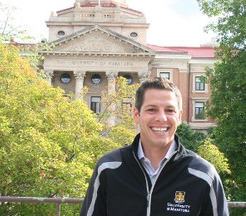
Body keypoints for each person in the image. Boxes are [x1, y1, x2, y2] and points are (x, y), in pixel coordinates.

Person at [80, 77, 229, 216]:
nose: (161, 118)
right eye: (151, 109)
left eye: (169, 110)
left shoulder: (203, 174)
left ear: (179, 116)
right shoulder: (108, 168)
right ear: (136, 115)